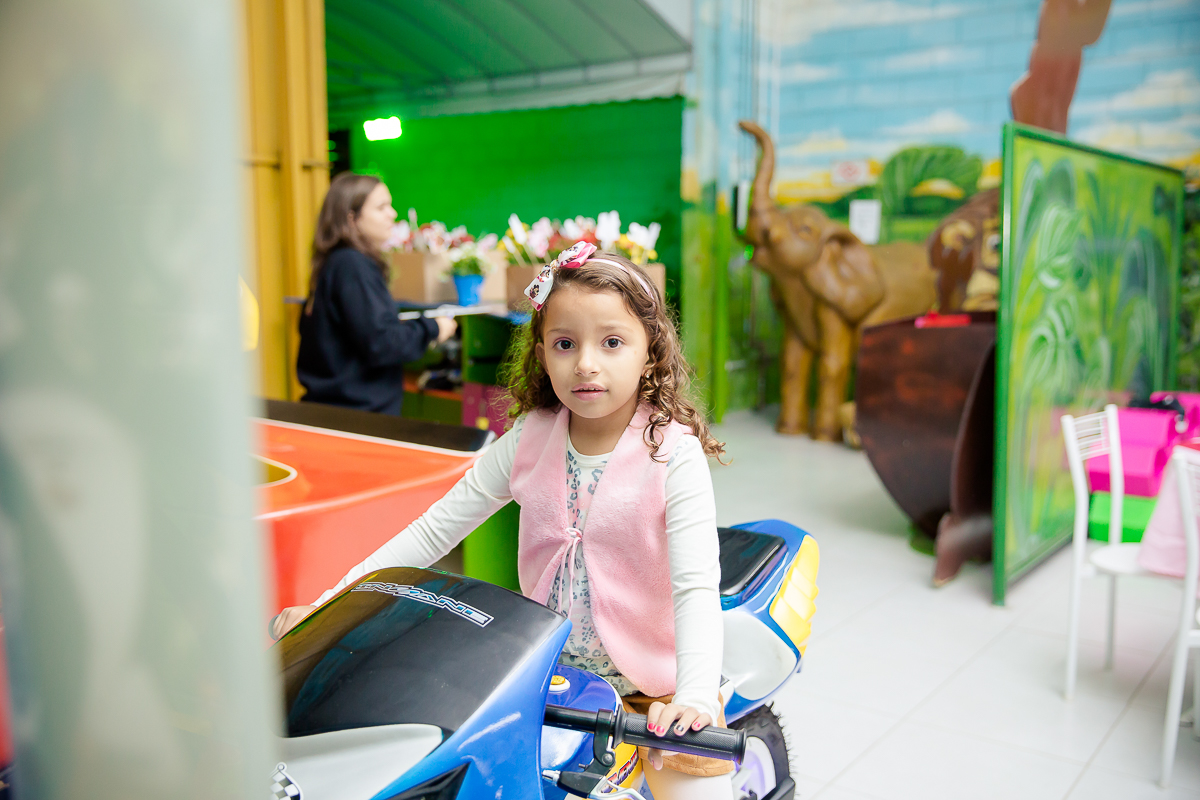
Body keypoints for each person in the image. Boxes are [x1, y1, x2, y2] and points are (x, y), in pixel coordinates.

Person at [273, 242, 733, 799]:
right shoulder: (529, 438)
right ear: (541, 353)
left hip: (650, 690)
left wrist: (696, 695)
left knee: (696, 787)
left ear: (650, 352)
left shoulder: (673, 455)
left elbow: (695, 587)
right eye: (565, 343)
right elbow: (434, 529)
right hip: (545, 675)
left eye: (612, 342)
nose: (586, 362)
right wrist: (330, 603)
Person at [297, 172, 455, 414]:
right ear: (352, 218)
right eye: (381, 208)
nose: (392, 214)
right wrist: (434, 328)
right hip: (356, 419)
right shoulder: (352, 265)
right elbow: (382, 343)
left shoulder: (337, 262)